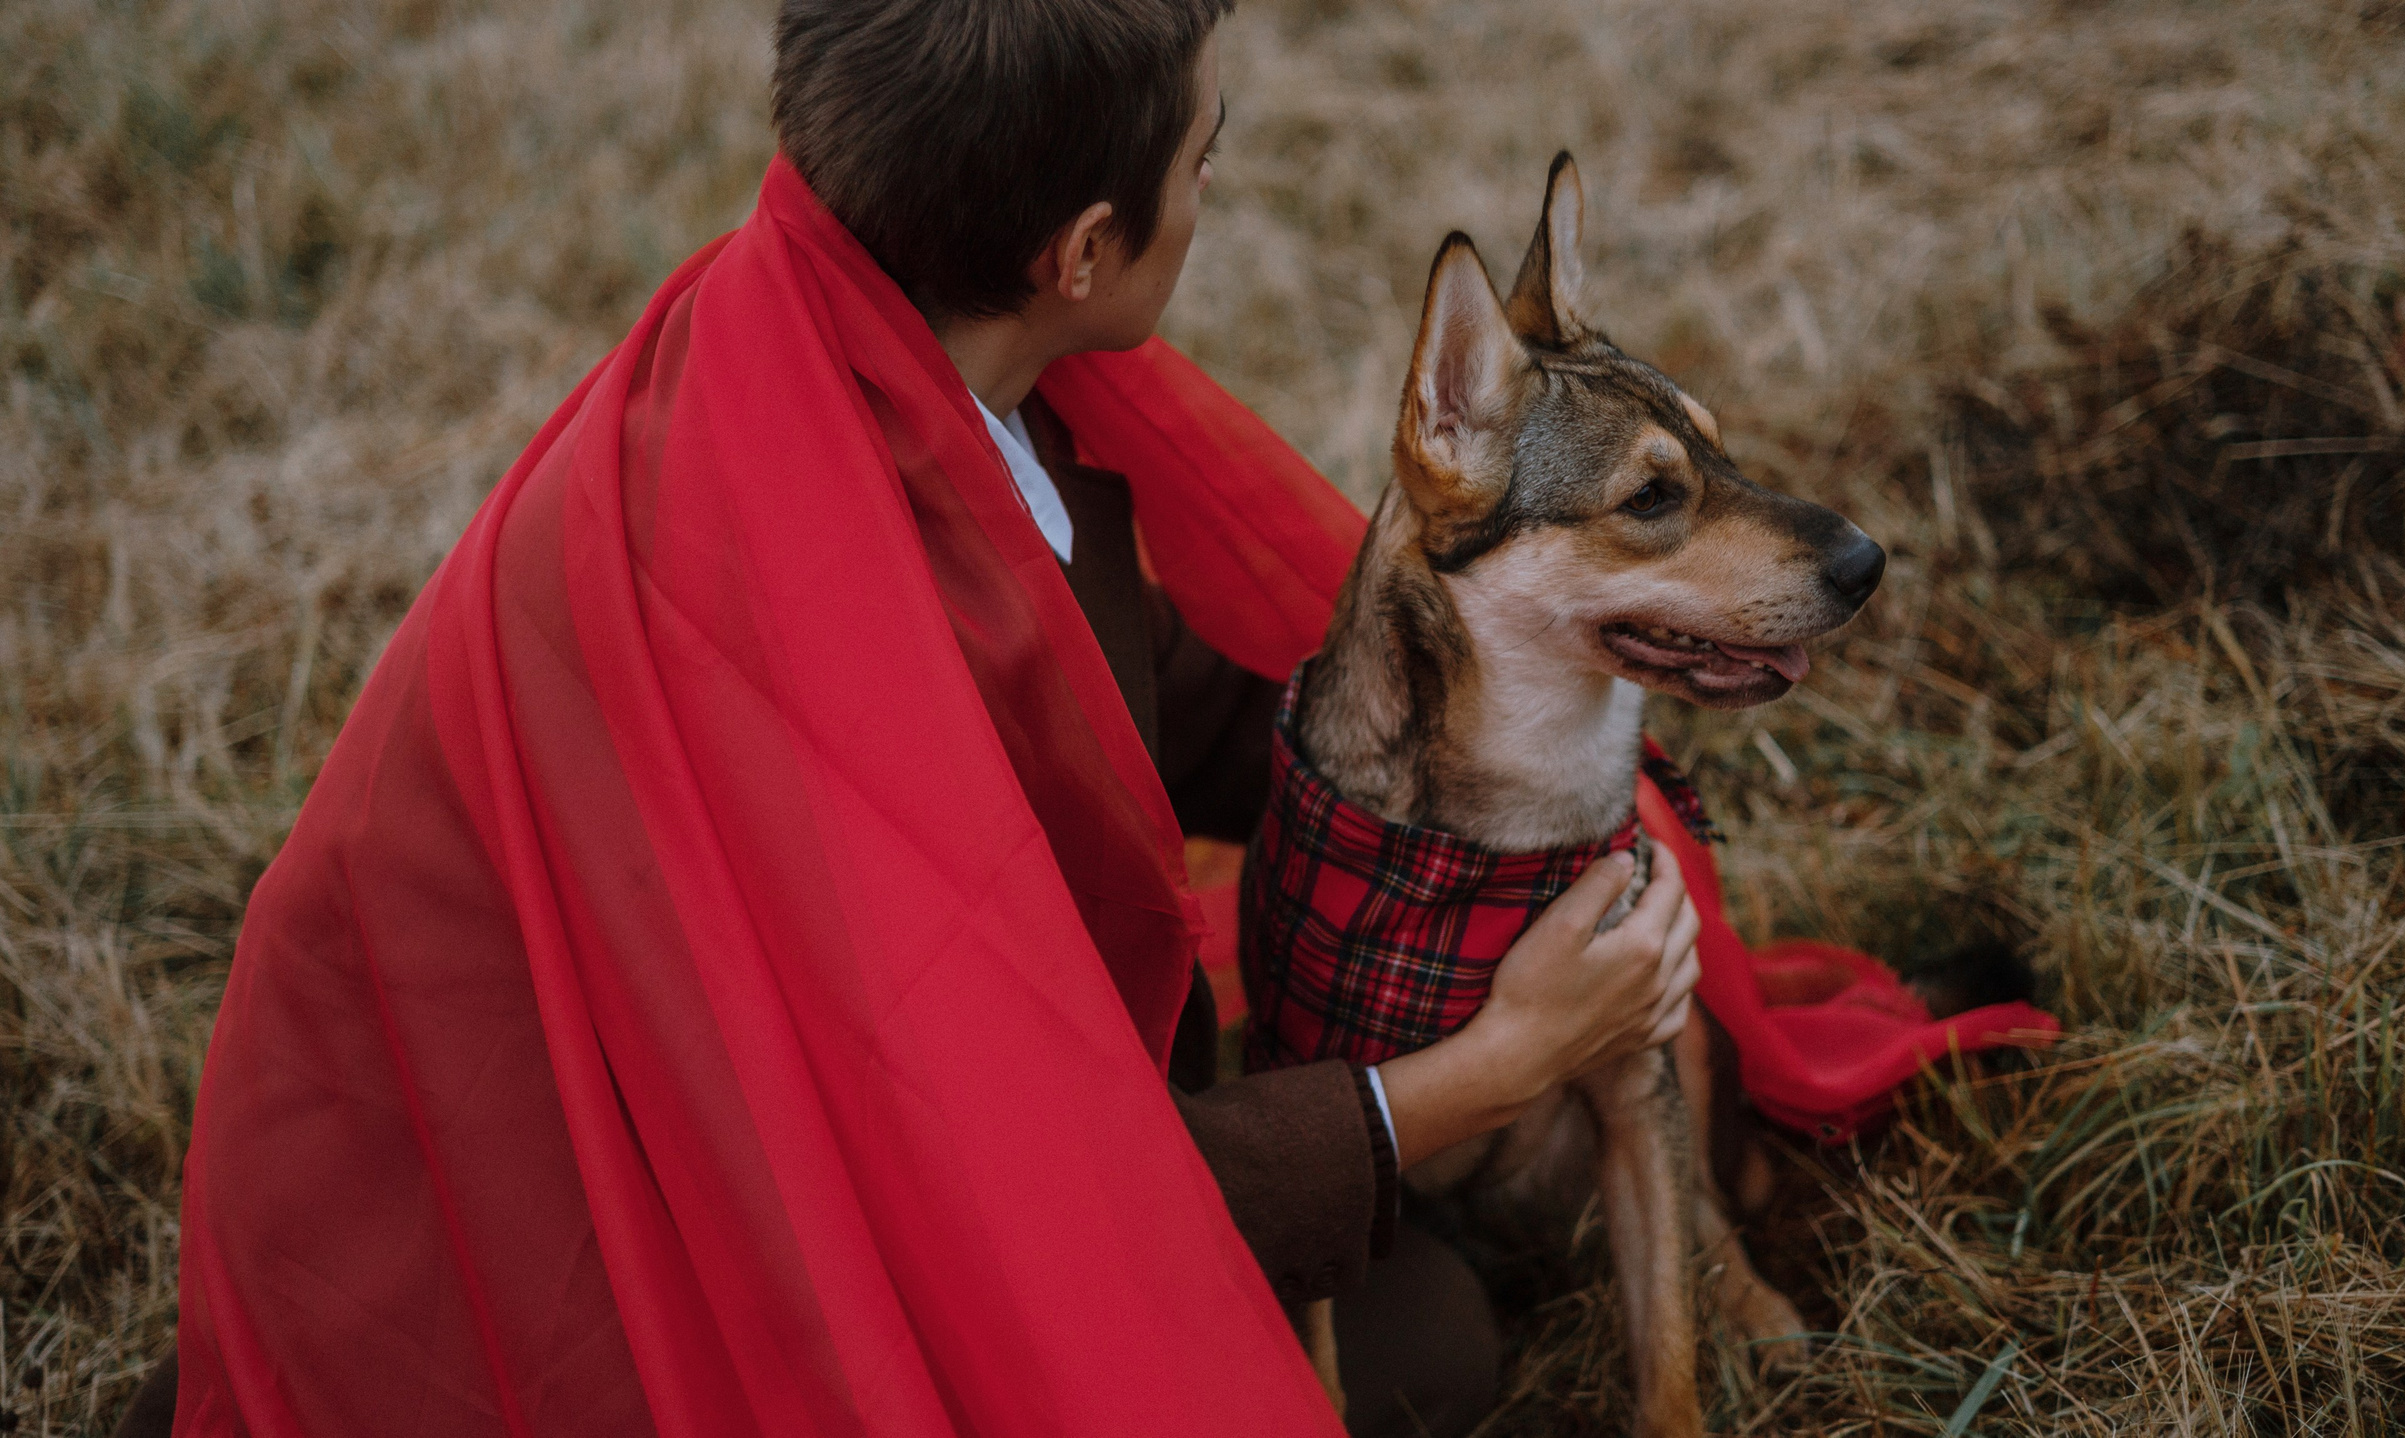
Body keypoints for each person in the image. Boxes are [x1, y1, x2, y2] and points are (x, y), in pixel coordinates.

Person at [128, 3, 1704, 1435]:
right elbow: (1018, 1180)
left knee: (1396, 1306)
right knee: (1414, 1348)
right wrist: (1500, 1063)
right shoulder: (824, 640)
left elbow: (1151, 683)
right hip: (539, 1256)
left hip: (586, 1118)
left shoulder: (885, 356)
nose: (1215, 190)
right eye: (1206, 157)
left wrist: (1525, 734)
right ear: (1082, 254)